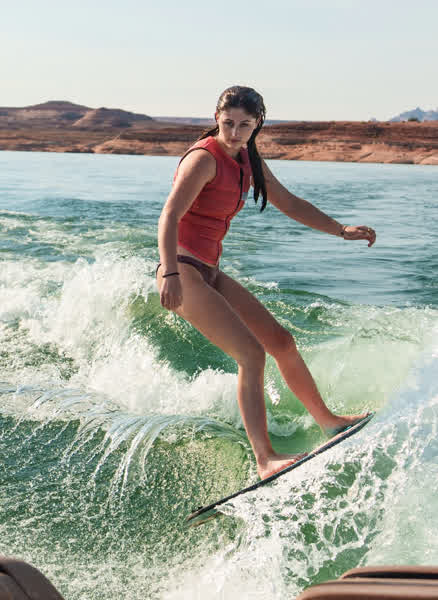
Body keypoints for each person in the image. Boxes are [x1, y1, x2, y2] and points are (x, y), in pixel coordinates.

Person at [156, 86, 376, 480]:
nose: (234, 132)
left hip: (210, 271)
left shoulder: (248, 160)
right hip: (183, 270)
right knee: (251, 355)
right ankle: (265, 459)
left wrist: (341, 230)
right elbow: (169, 216)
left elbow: (289, 203)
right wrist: (170, 273)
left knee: (281, 342)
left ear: (257, 124)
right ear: (216, 118)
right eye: (228, 123)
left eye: (244, 125)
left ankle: (328, 421)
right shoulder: (204, 159)